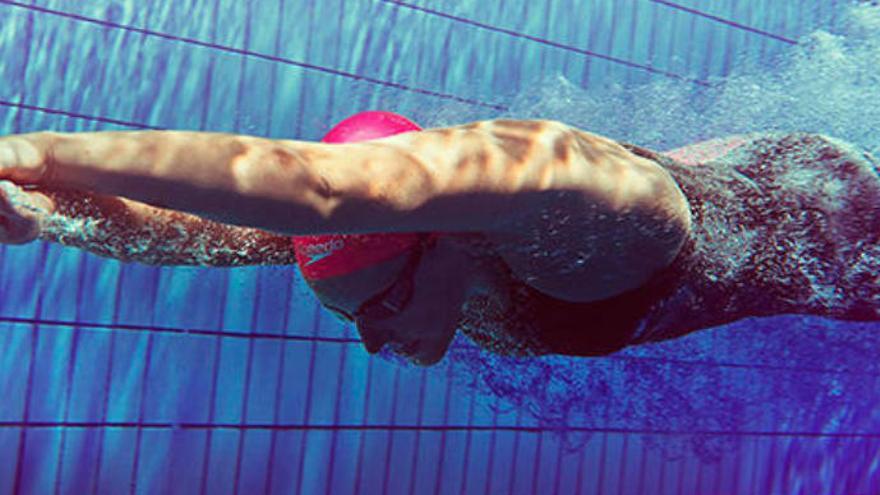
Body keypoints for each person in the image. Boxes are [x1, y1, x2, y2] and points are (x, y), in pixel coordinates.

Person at [1, 112, 879, 366]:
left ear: (443, 240)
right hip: (745, 183)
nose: (377, 336)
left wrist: (36, 150)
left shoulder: (600, 220)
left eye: (379, 307)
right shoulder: (409, 252)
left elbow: (320, 188)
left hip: (841, 227)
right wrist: (40, 202)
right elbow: (180, 232)